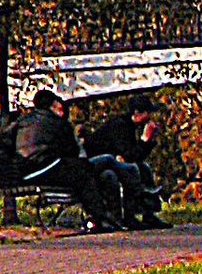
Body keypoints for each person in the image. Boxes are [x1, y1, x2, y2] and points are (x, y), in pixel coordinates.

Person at [10, 86, 127, 229]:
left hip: (26, 171)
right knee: (100, 164)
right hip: (47, 171)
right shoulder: (57, 122)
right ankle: (132, 198)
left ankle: (108, 218)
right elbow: (72, 150)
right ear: (54, 104)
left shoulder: (22, 120)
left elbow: (5, 140)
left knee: (106, 174)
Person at [82, 100, 165, 229]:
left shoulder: (130, 126)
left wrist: (146, 142)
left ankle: (149, 214)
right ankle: (128, 216)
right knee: (130, 170)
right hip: (97, 165)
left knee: (144, 168)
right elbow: (129, 155)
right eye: (147, 113)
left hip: (112, 163)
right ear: (137, 113)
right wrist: (144, 139)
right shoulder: (119, 126)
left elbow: (135, 155)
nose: (148, 117)